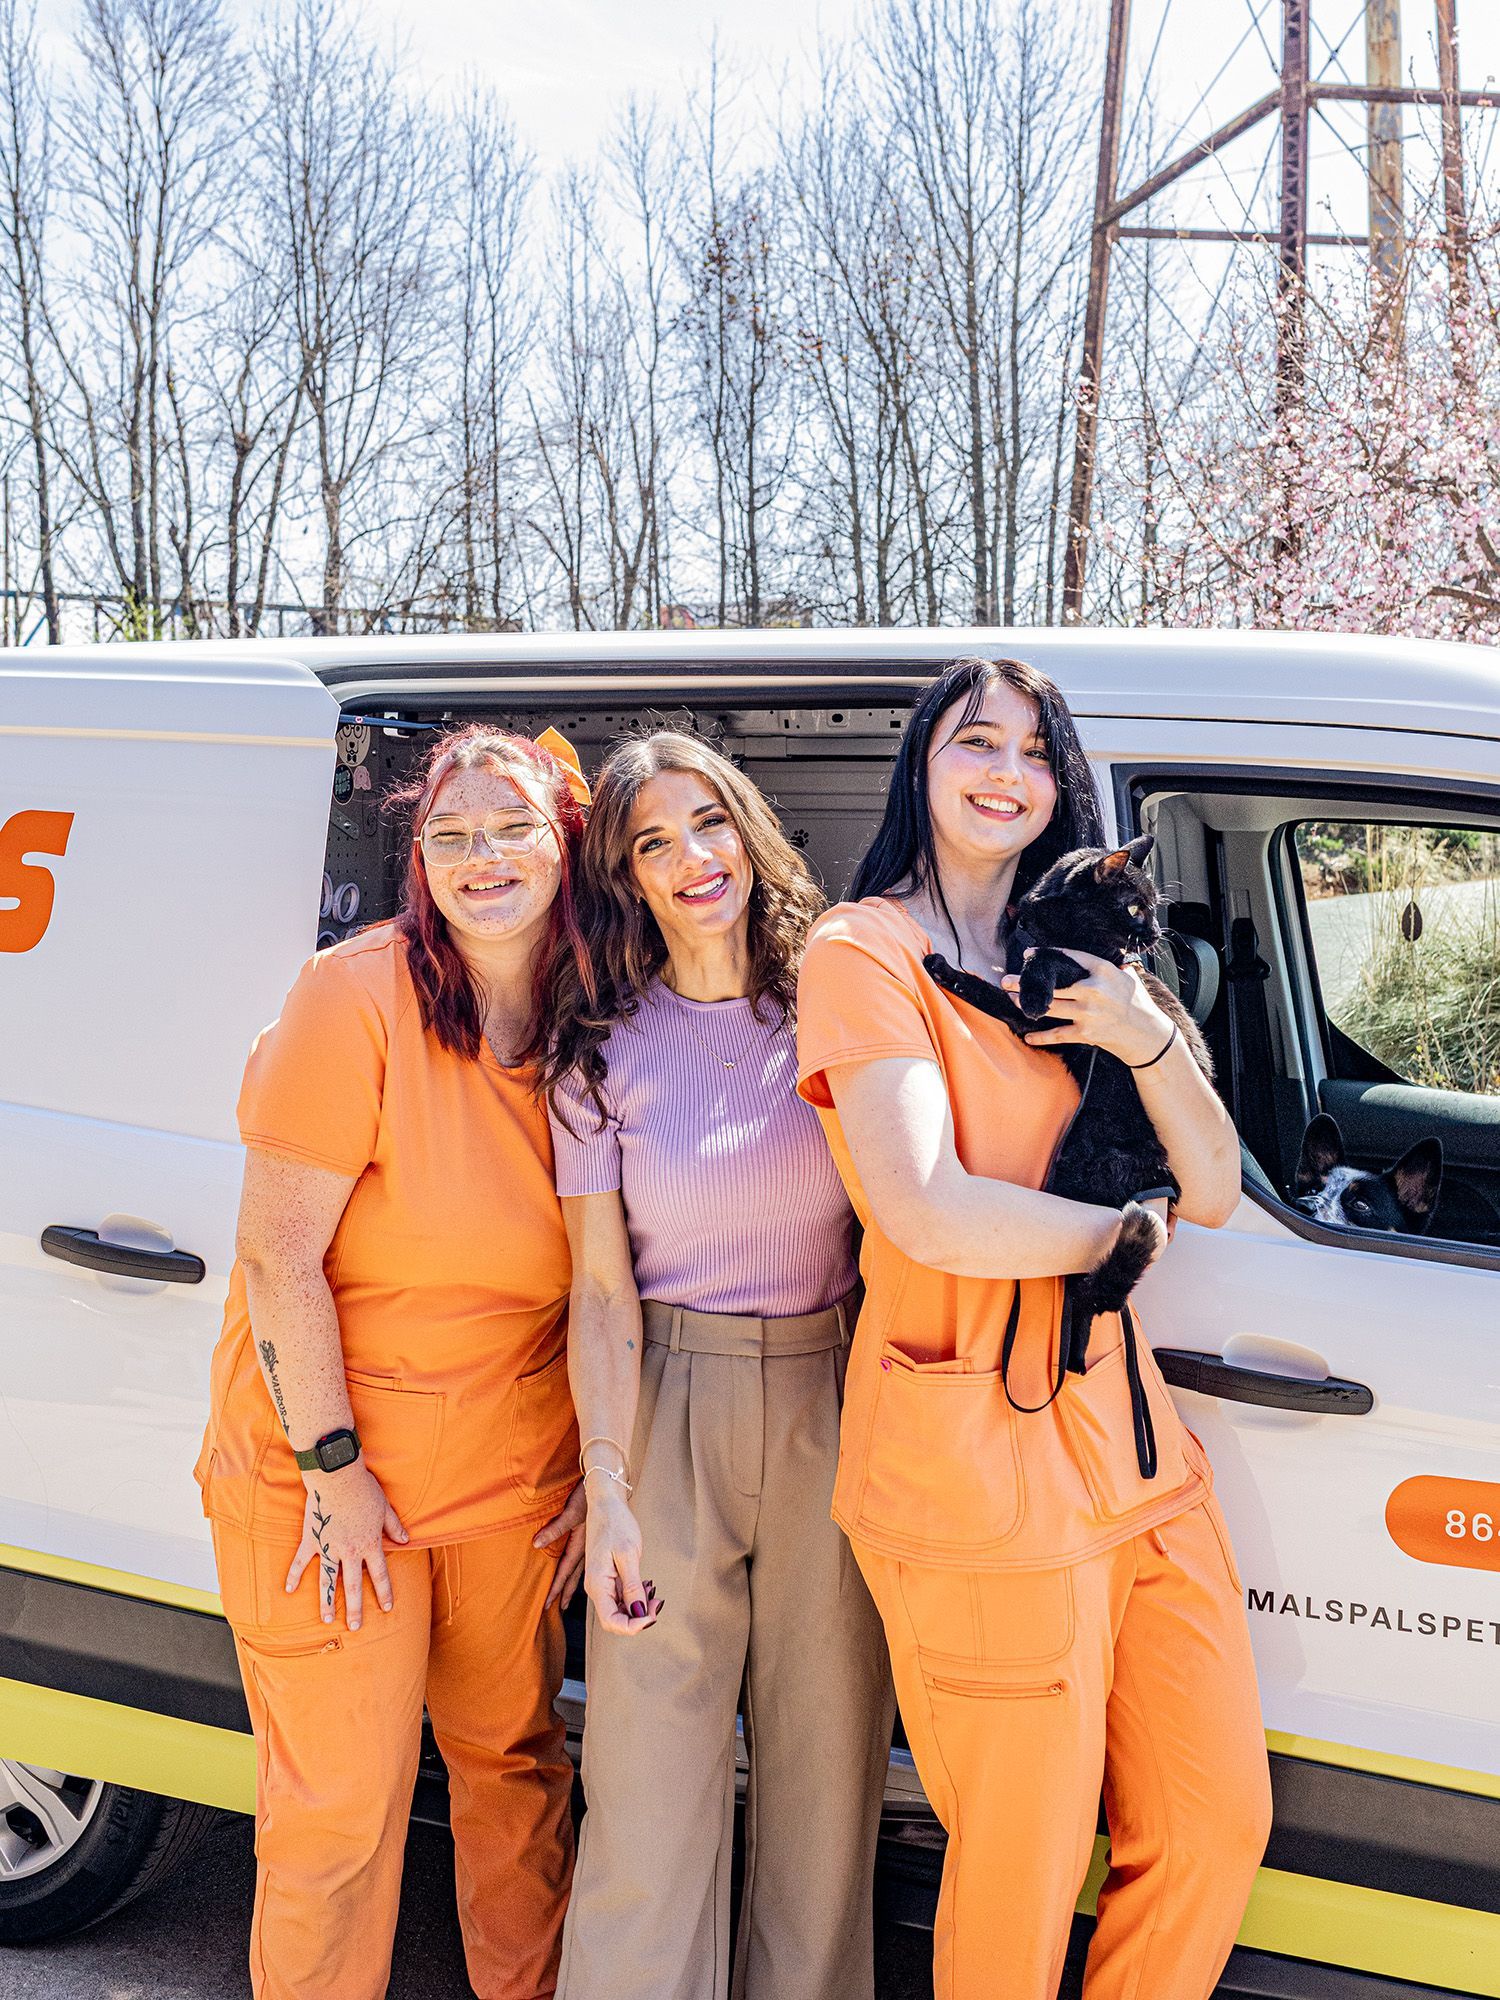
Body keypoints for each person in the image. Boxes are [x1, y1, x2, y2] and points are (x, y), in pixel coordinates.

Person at [794, 658, 1272, 2000]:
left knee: (1211, 1825)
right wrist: (1120, 1239)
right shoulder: (863, 952)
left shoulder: (1088, 954)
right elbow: (928, 1208)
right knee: (1023, 1859)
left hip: (1133, 1457)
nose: (1006, 770)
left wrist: (1142, 1034)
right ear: (923, 766)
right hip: (975, 1465)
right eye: (974, 741)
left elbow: (1220, 1186)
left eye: (1033, 750)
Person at [194, 724, 593, 2000]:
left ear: (566, 841)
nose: (486, 857)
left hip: (508, 1475)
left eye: (514, 826)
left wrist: (599, 1464)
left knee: (516, 1782)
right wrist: (334, 1467)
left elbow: (611, 1280)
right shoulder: (355, 995)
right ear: (419, 857)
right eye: (453, 834)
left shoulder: (595, 1011)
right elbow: (278, 1256)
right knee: (339, 1818)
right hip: (333, 1483)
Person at [539, 730, 894, 2000]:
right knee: (644, 1790)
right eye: (654, 841)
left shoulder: (836, 1006)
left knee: (826, 1775)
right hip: (665, 1407)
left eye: (710, 823)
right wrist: (612, 1479)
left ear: (749, 831)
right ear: (626, 877)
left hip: (833, 1398)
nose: (692, 858)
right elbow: (598, 1289)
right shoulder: (599, 1054)